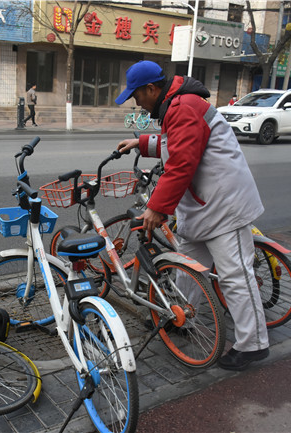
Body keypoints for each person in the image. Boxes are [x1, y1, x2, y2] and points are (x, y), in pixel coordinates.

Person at [115, 60, 269, 371]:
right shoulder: (175, 106)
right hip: (204, 207)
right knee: (186, 268)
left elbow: (182, 162)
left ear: (151, 89)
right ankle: (182, 318)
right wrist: (141, 142)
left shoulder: (183, 106)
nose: (137, 103)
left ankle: (253, 345)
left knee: (235, 276)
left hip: (224, 206)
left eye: (137, 96)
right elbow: (179, 145)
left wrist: (156, 207)